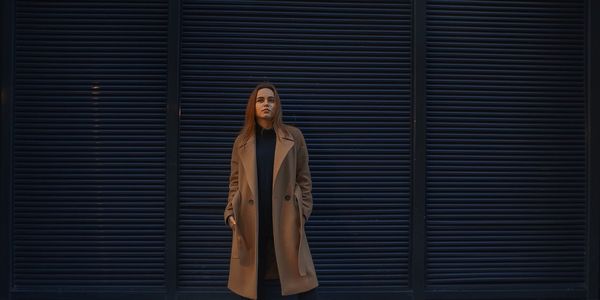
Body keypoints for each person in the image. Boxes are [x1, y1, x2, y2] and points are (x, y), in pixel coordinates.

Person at [224, 82, 319, 299]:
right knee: (252, 284)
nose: (266, 104)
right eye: (260, 100)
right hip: (250, 220)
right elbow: (234, 182)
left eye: (271, 99)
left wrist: (302, 212)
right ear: (253, 106)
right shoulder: (242, 141)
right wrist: (231, 215)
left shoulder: (294, 137)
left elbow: (304, 179)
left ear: (277, 105)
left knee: (300, 284)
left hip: (286, 218)